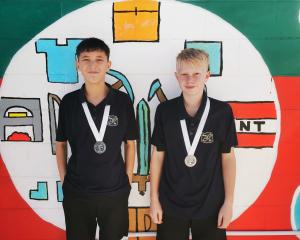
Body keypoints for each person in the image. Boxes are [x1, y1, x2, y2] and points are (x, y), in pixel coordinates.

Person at [150, 48, 237, 240]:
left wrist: (228, 203)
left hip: (211, 205)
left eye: (196, 74)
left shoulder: (222, 112)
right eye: (184, 74)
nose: (190, 80)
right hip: (171, 204)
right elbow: (157, 155)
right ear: (176, 76)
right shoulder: (165, 111)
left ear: (207, 75)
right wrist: (154, 200)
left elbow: (228, 158)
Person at [56, 37, 138, 240]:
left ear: (108, 65)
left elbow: (130, 144)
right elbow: (60, 144)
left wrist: (126, 180)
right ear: (78, 64)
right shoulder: (69, 102)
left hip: (115, 191)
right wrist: (65, 181)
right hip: (77, 192)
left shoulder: (122, 101)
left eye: (99, 59)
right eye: (86, 59)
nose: (92, 65)